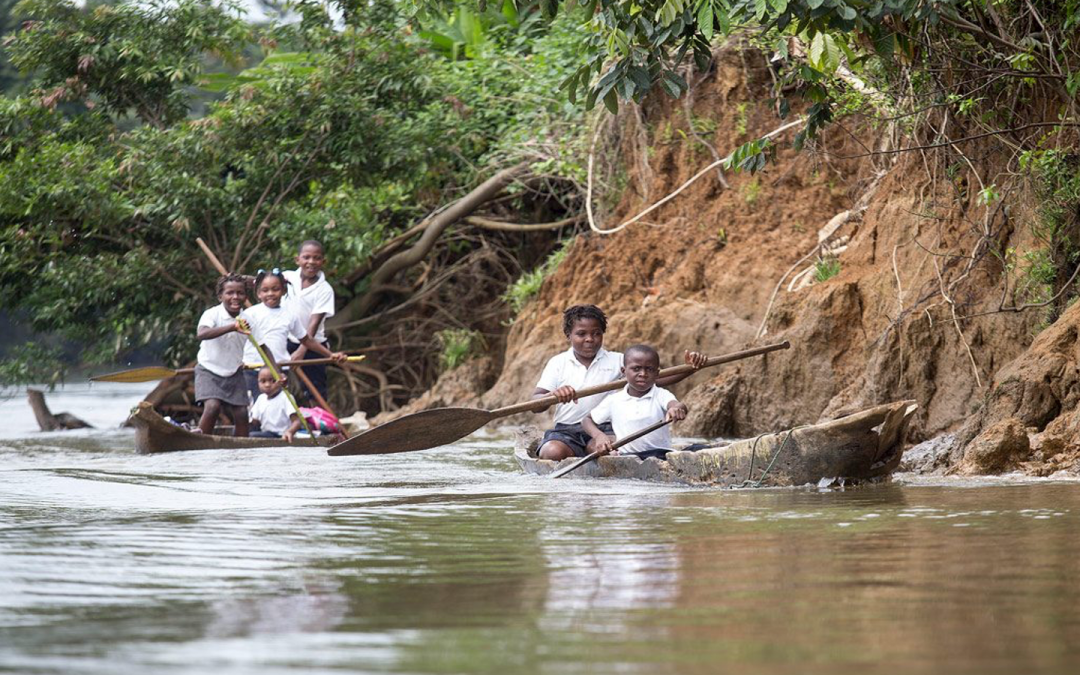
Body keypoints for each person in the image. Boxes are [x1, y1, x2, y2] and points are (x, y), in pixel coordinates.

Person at [531, 304, 707, 461]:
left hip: (606, 429)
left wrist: (690, 368)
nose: (590, 339)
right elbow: (536, 405)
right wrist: (553, 395)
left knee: (609, 451)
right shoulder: (558, 363)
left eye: (596, 333)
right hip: (566, 430)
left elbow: (654, 378)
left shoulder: (618, 360)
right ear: (568, 335)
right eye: (581, 334)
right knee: (552, 452)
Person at [242, 268, 347, 404]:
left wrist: (330, 355)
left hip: (280, 370)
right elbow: (238, 340)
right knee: (254, 409)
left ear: (284, 290)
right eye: (265, 290)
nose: (270, 294)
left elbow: (307, 340)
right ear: (258, 293)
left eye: (275, 289)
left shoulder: (290, 315)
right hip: (253, 369)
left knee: (278, 408)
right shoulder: (250, 314)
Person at [582, 344, 688, 460]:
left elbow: (676, 405)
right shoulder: (614, 400)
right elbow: (587, 420)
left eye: (649, 369)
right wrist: (599, 436)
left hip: (660, 454)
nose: (643, 374)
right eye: (636, 369)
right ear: (624, 371)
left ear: (657, 373)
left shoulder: (660, 394)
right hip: (629, 457)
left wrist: (676, 409)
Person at [195, 273, 251, 436]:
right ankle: (201, 441)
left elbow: (263, 346)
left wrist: (276, 372)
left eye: (240, 293)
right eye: (230, 293)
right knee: (213, 407)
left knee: (242, 413)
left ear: (246, 296)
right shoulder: (212, 314)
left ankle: (242, 446)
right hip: (208, 370)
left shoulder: (248, 319)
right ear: (220, 296)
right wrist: (232, 327)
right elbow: (202, 333)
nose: (235, 297)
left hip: (234, 371)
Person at [284, 240, 337, 404]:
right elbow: (264, 283)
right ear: (297, 260)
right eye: (306, 257)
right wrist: (242, 279)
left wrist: (302, 349)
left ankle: (320, 418)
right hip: (285, 340)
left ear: (323, 261)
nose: (311, 262)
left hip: (312, 345)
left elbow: (314, 324)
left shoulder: (324, 290)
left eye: (317, 258)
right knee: (276, 382)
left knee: (315, 389)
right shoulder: (287, 278)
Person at [249, 367, 303, 442]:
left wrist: (289, 432)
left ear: (280, 380)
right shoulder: (261, 398)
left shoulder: (286, 397)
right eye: (263, 381)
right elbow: (255, 421)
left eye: (273, 381)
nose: (267, 385)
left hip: (280, 434)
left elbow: (297, 421)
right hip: (266, 433)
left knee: (252, 436)